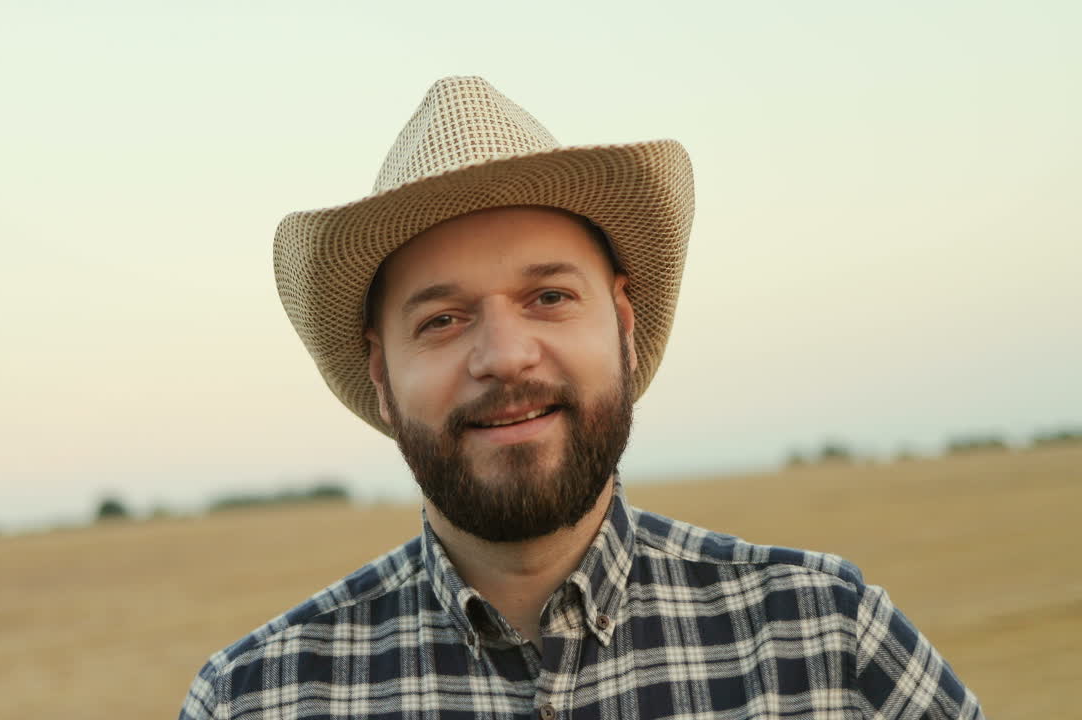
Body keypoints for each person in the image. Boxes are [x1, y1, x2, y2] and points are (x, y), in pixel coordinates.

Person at [179, 76, 984, 719]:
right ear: (382, 378)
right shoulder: (258, 698)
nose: (503, 356)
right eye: (443, 319)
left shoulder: (827, 642)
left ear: (624, 327)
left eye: (549, 298)